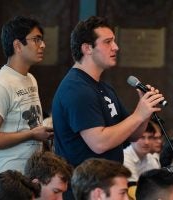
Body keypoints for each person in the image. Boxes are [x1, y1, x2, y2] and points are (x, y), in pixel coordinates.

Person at [51, 16, 164, 167]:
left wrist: (145, 111)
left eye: (114, 41)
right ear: (87, 48)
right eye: (107, 42)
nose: (116, 47)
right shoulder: (76, 88)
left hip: (108, 181)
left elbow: (133, 135)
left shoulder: (104, 88)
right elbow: (99, 143)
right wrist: (138, 114)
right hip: (86, 187)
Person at [0, 16, 53, 199]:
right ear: (18, 45)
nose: (42, 45)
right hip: (2, 181)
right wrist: (32, 134)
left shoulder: (30, 79)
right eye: (36, 39)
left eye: (42, 39)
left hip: (26, 179)